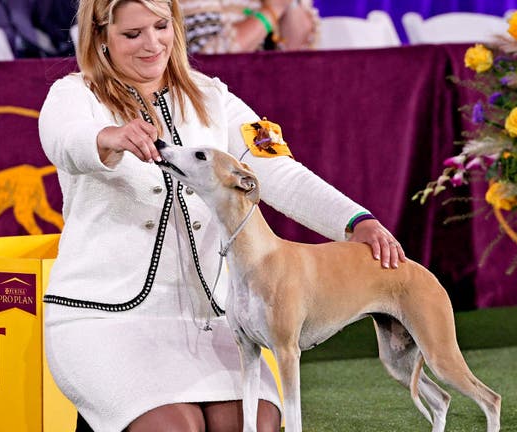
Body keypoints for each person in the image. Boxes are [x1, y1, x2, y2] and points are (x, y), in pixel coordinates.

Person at [38, 0, 406, 430]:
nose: (152, 44)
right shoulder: (73, 95)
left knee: (257, 425)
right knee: (176, 429)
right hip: (104, 321)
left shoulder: (213, 96)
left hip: (211, 322)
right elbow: (65, 140)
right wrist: (109, 136)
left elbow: (279, 172)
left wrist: (356, 221)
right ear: (100, 38)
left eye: (160, 26)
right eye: (132, 34)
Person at [181, 0, 319, 54]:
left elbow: (297, 53)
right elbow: (208, 56)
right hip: (224, 105)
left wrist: (289, 3)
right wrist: (273, 11)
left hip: (273, 96)